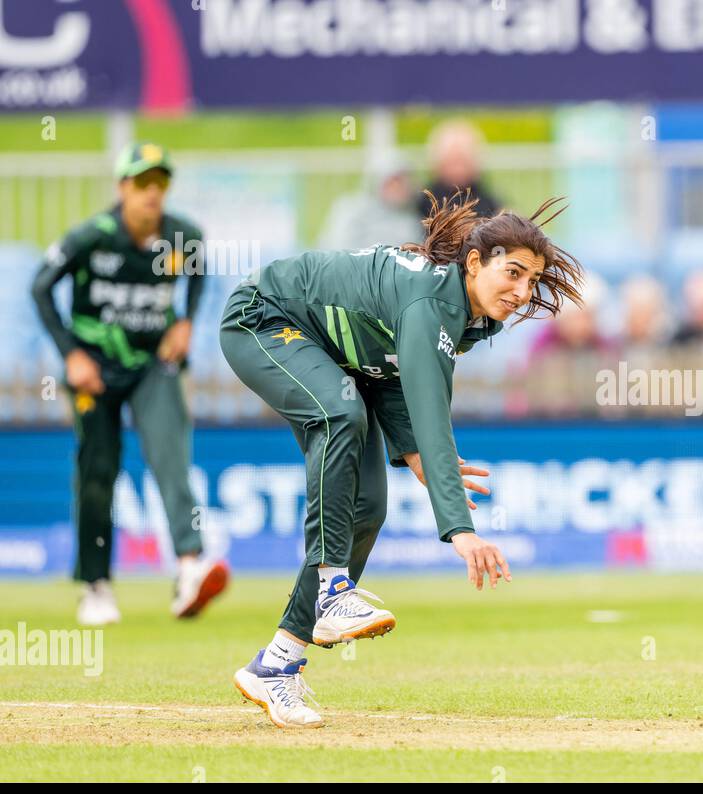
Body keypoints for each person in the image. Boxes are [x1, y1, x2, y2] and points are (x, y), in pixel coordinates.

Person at [219, 192, 583, 728]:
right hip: (262, 317)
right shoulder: (430, 302)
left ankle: (277, 665)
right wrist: (459, 529)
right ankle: (331, 588)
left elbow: (388, 375)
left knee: (366, 508)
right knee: (340, 415)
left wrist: (413, 454)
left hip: (340, 360)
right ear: (475, 263)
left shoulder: (466, 316)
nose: (523, 292)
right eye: (514, 273)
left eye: (532, 280)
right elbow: (431, 410)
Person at [30, 142, 229, 626]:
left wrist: (185, 321)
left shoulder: (183, 236)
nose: (152, 194)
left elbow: (198, 275)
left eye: (159, 184)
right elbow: (40, 286)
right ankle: (95, 585)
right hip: (93, 371)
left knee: (171, 459)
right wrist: (72, 354)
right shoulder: (92, 237)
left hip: (152, 363)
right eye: (142, 184)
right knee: (98, 471)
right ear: (122, 188)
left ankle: (188, 569)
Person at [317, 151, 425, 252]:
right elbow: (337, 250)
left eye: (404, 180)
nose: (400, 187)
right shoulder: (350, 209)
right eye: (394, 181)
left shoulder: (411, 218)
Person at [414, 120, 502, 221]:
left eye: (463, 162)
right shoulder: (425, 201)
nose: (458, 169)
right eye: (453, 161)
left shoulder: (487, 199)